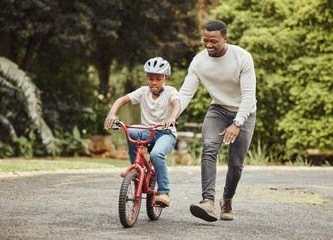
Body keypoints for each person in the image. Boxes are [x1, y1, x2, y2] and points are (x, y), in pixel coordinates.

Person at [178, 20, 257, 221]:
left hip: (244, 113)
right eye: (205, 40)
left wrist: (237, 123)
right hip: (218, 109)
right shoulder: (198, 62)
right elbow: (185, 94)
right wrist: (171, 116)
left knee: (236, 163)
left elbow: (248, 96)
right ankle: (208, 202)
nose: (209, 45)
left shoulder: (242, 57)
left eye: (214, 41)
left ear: (225, 39)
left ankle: (227, 199)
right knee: (208, 147)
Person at [104, 57, 181, 207]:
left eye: (158, 79)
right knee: (131, 130)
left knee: (156, 154)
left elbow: (176, 104)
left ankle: (164, 192)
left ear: (166, 78)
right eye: (151, 78)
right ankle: (136, 168)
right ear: (146, 77)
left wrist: (172, 117)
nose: (154, 82)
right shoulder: (143, 92)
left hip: (165, 133)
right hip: (147, 131)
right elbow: (122, 100)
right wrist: (112, 114)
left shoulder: (171, 91)